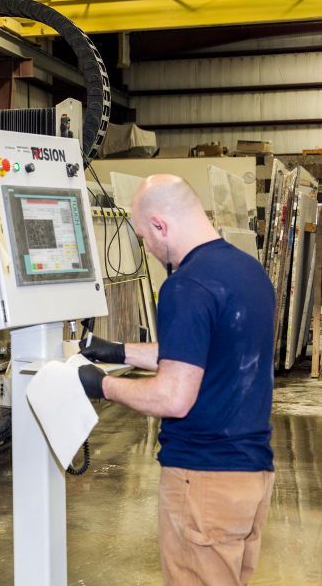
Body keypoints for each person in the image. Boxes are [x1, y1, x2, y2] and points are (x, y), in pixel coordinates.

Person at [77, 174, 275, 586]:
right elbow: (200, 354)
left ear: (160, 225)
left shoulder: (186, 285)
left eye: (144, 237)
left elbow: (174, 396)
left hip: (203, 482)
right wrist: (118, 352)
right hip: (250, 478)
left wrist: (102, 386)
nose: (147, 248)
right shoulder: (247, 271)